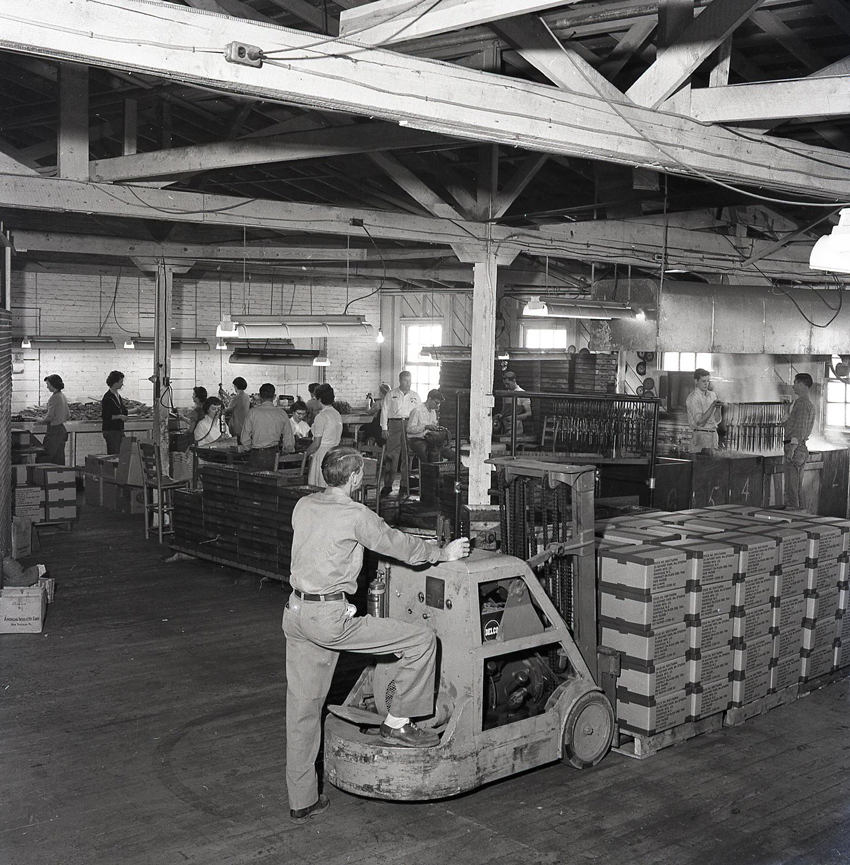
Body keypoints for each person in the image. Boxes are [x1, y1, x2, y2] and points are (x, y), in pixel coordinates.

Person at [283, 446, 470, 824]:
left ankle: (301, 799)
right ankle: (397, 722)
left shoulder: (303, 506)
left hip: (296, 612)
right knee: (420, 641)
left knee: (302, 711)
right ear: (354, 479)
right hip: (328, 618)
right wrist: (442, 553)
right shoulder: (356, 515)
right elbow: (397, 545)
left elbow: (318, 553)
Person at [380, 371, 421, 496]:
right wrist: (384, 428)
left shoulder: (415, 396)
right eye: (405, 380)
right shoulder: (391, 394)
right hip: (395, 424)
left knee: (407, 456)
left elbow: (420, 413)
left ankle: (404, 485)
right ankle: (388, 485)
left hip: (409, 425)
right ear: (400, 380)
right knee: (392, 456)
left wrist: (419, 429)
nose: (408, 383)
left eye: (410, 380)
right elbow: (384, 411)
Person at [240, 383, 295, 472]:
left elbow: (244, 439)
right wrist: (286, 451)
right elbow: (289, 442)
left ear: (259, 396)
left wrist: (248, 448)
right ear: (274, 396)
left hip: (257, 454)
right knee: (273, 482)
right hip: (275, 455)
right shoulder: (282, 413)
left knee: (256, 482)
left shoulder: (252, 412)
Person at [783, 373, 816, 511]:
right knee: (795, 487)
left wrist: (791, 449)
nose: (793, 386)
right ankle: (800, 518)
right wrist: (786, 411)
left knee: (792, 489)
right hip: (799, 449)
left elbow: (800, 430)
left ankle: (795, 520)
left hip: (796, 449)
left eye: (795, 383)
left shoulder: (802, 404)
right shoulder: (803, 403)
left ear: (801, 385)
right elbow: (792, 425)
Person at [305, 384, 343, 488]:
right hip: (334, 453)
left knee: (319, 487)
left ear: (319, 398)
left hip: (322, 455)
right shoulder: (337, 414)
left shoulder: (321, 417)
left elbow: (316, 444)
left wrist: (306, 454)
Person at [406, 389, 454, 463]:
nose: (437, 406)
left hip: (430, 440)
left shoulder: (433, 412)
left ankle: (438, 470)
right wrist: (425, 427)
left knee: (451, 453)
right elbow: (409, 429)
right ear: (429, 399)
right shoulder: (417, 411)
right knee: (423, 448)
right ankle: (428, 469)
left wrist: (437, 428)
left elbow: (433, 426)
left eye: (439, 404)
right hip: (416, 439)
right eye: (436, 403)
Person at [686, 368, 722, 454]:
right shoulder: (693, 398)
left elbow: (718, 420)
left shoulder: (712, 395)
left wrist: (718, 408)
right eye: (703, 381)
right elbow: (700, 422)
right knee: (702, 464)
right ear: (696, 381)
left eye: (708, 381)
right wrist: (713, 406)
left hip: (713, 436)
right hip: (701, 437)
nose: (706, 384)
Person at [41, 374, 70, 465]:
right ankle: (59, 477)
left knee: (47, 457)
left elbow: (49, 417)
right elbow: (68, 415)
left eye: (48, 384)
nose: (47, 386)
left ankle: (46, 478)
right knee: (59, 458)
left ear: (53, 384)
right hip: (62, 430)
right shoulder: (63, 396)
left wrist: (40, 420)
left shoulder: (53, 398)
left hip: (54, 431)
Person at [101, 370, 130, 455]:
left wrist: (137, 410)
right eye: (121, 382)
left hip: (118, 430)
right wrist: (120, 417)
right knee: (115, 454)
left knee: (121, 453)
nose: (122, 384)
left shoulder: (117, 395)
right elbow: (106, 416)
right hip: (111, 431)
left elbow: (123, 411)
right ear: (115, 382)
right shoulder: (108, 398)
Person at [500, 371, 532, 436]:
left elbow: (529, 413)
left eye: (508, 384)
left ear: (514, 381)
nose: (506, 386)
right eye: (505, 384)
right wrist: (500, 415)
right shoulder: (506, 394)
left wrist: (515, 417)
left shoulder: (522, 394)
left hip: (516, 426)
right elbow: (503, 411)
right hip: (505, 425)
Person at [225, 377, 251, 443]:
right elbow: (233, 401)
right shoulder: (246, 396)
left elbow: (228, 409)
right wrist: (225, 394)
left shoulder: (237, 397)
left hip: (237, 425)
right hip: (244, 424)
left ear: (236, 386)